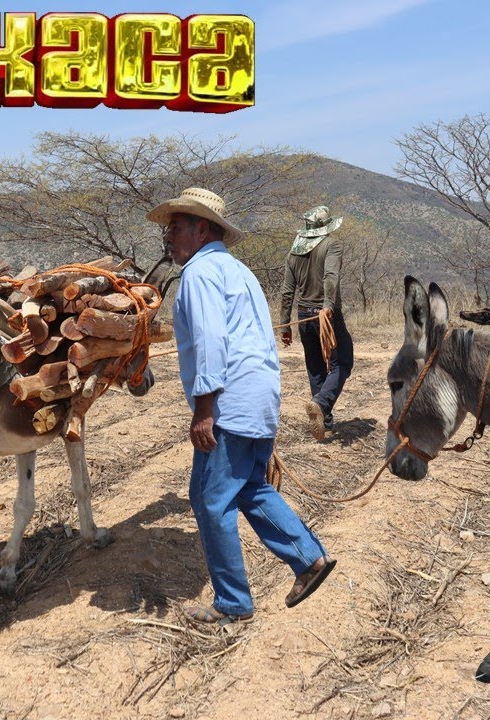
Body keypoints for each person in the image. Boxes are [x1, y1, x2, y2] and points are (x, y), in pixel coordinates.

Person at [148, 187, 336, 625]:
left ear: (201, 228)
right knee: (250, 487)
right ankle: (309, 560)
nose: (169, 236)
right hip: (258, 397)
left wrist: (205, 407)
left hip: (229, 400)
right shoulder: (238, 271)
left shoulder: (199, 274)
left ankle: (232, 602)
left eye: (176, 227)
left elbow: (212, 341)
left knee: (210, 499)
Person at [278, 205, 355, 440]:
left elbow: (287, 292)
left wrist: (285, 325)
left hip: (303, 315)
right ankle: (321, 403)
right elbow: (331, 277)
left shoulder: (293, 253)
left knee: (315, 367)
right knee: (342, 362)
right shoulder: (332, 245)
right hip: (325, 314)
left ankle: (326, 423)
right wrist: (328, 306)